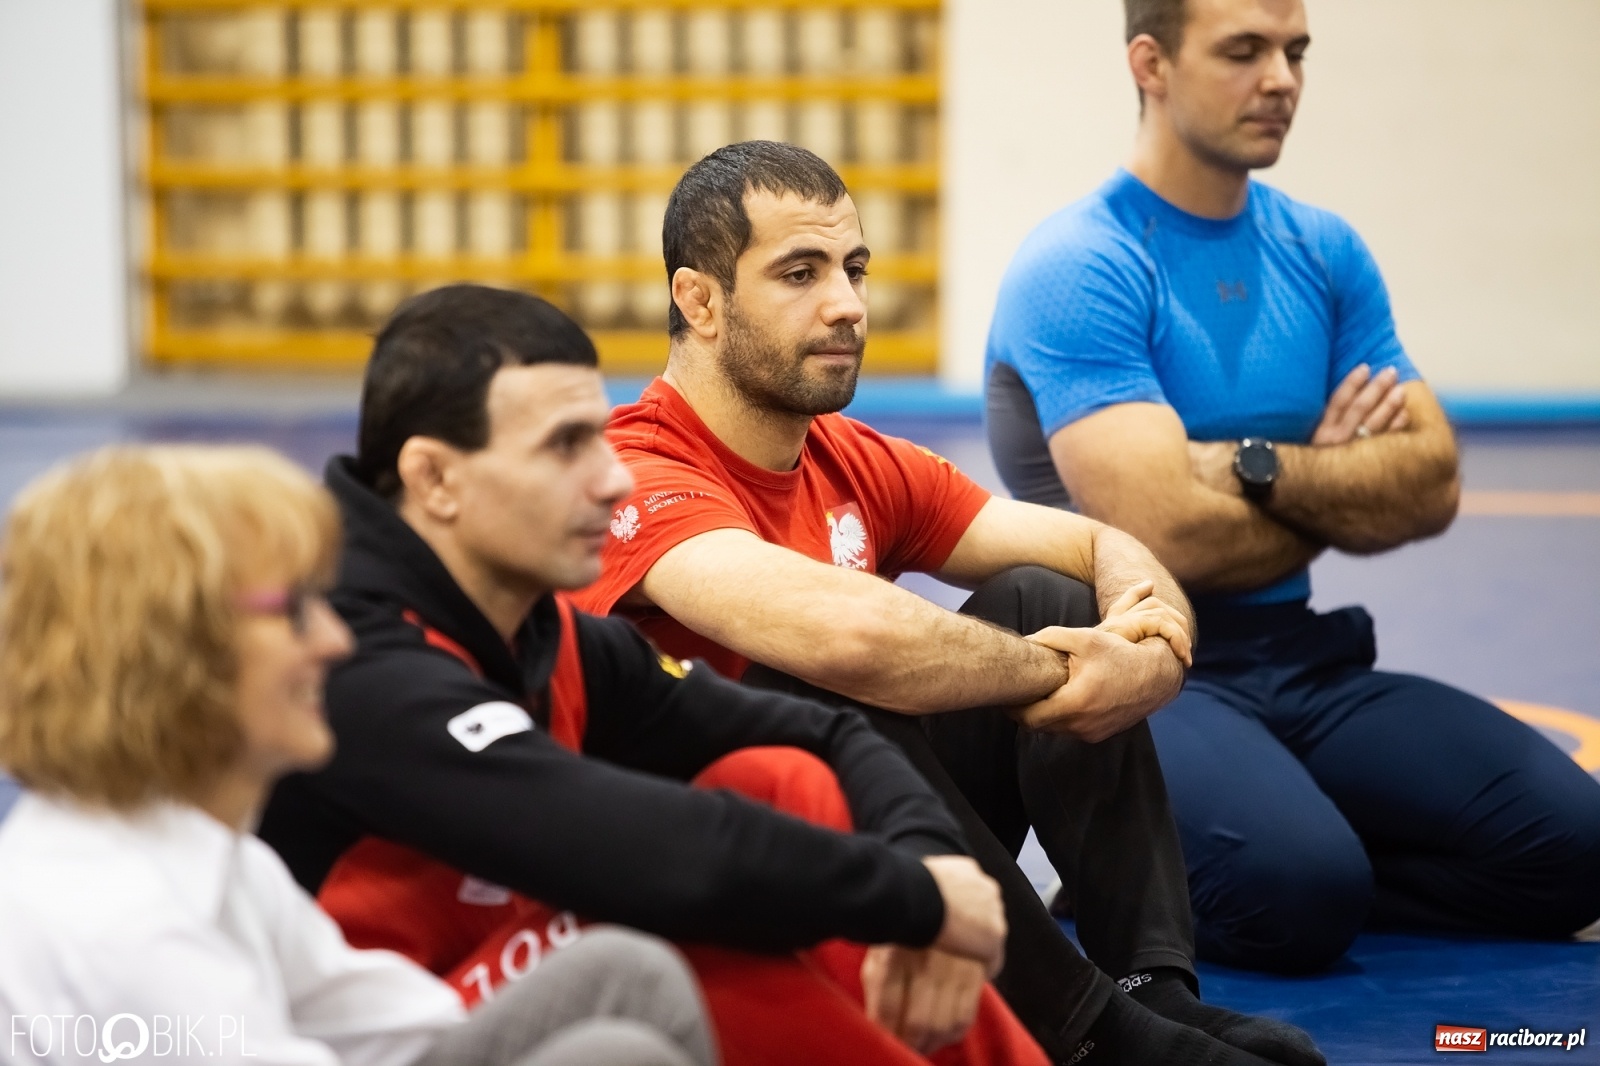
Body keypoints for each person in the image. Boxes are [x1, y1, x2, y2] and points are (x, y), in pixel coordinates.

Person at [575, 141, 1320, 1066]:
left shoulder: (850, 456)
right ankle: (1091, 1034)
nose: (847, 303)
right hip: (711, 884)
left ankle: (1149, 987)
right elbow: (846, 637)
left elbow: (1094, 544)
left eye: (853, 269)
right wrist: (1065, 670)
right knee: (828, 678)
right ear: (701, 301)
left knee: (1042, 593)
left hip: (872, 847)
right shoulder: (634, 469)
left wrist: (1147, 646)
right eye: (799, 274)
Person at [256, 284, 1049, 1066]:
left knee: (779, 779)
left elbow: (831, 731)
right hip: (367, 1038)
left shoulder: (542, 628)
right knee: (653, 932)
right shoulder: (349, 658)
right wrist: (917, 899)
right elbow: (642, 847)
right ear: (434, 480)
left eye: (600, 439)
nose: (612, 480)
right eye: (565, 447)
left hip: (503, 978)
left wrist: (928, 858)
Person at [983, 0, 1600, 975]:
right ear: (1150, 63)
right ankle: (1133, 865)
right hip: (1149, 670)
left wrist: (1245, 465)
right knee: (1298, 897)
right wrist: (1343, 484)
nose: (1281, 79)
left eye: (1294, 51)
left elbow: (1429, 483)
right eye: (1243, 51)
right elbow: (1168, 537)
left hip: (1301, 662)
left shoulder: (1322, 249)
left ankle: (1252, 851)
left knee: (1581, 844)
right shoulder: (1083, 263)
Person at [0, 444, 715, 1066]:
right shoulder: (131, 934)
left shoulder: (207, 856)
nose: (337, 642)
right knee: (617, 1055)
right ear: (176, 649)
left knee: (621, 978)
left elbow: (395, 1028)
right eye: (296, 610)